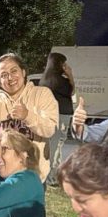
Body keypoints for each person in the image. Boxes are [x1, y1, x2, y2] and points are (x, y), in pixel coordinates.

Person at [0, 53, 58, 183]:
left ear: (23, 72)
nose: (10, 78)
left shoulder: (42, 95)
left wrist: (27, 116)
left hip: (32, 176)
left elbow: (50, 130)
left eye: (14, 71)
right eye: (4, 75)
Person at [39, 52, 75, 186]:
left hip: (49, 116)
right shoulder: (61, 81)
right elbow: (73, 93)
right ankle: (50, 177)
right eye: (63, 63)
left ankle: (52, 174)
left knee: (52, 146)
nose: (65, 66)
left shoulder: (45, 79)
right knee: (56, 145)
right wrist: (70, 75)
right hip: (60, 116)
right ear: (58, 64)